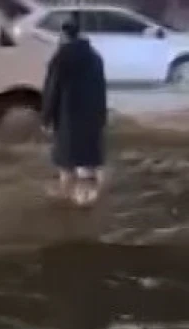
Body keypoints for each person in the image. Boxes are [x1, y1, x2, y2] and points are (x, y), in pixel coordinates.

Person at [41, 14, 108, 206]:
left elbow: (51, 91)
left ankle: (67, 198)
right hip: (91, 121)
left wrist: (45, 118)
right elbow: (102, 92)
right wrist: (101, 118)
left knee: (67, 167)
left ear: (63, 35)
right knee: (89, 167)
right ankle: (88, 201)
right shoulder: (95, 58)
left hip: (67, 121)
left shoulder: (60, 58)